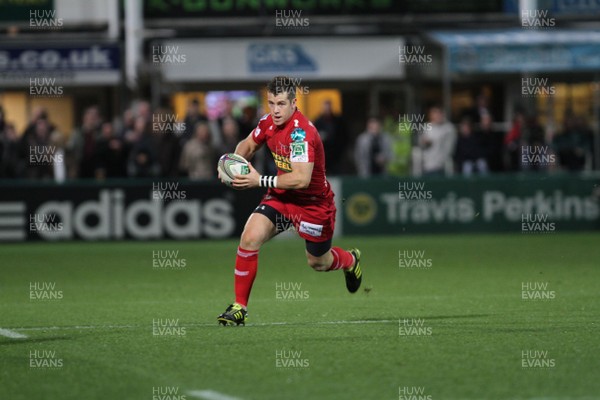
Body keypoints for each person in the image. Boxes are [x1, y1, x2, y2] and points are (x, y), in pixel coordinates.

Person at [216, 76, 363, 326]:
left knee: (318, 262)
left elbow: (301, 179)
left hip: (313, 204)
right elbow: (249, 144)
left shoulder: (300, 134)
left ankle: (350, 260)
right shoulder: (268, 122)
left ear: (294, 103)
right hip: (282, 197)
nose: (275, 110)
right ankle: (239, 307)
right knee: (250, 237)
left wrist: (258, 180)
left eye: (281, 103)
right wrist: (230, 162)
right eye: (271, 102)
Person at [419, 105, 456, 176]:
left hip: (442, 166)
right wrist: (424, 142)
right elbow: (421, 143)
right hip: (427, 166)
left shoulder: (448, 128)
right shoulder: (426, 127)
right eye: (434, 113)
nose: (437, 116)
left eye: (439, 113)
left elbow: (449, 147)